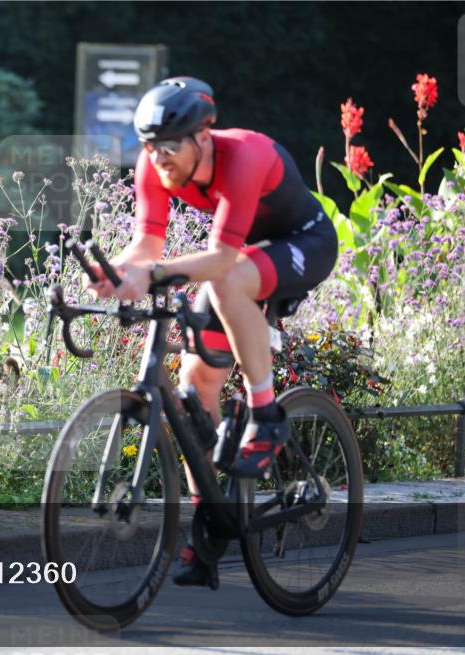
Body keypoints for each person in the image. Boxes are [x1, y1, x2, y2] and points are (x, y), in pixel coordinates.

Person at [86, 76, 338, 586]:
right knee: (195, 388)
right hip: (241, 261)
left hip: (302, 243)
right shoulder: (153, 167)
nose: (159, 159)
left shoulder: (243, 155)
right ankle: (210, 526)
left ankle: (266, 412)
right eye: (150, 147)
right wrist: (116, 273)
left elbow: (221, 259)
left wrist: (151, 276)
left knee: (225, 280)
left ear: (204, 136)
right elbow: (147, 245)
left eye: (169, 147)